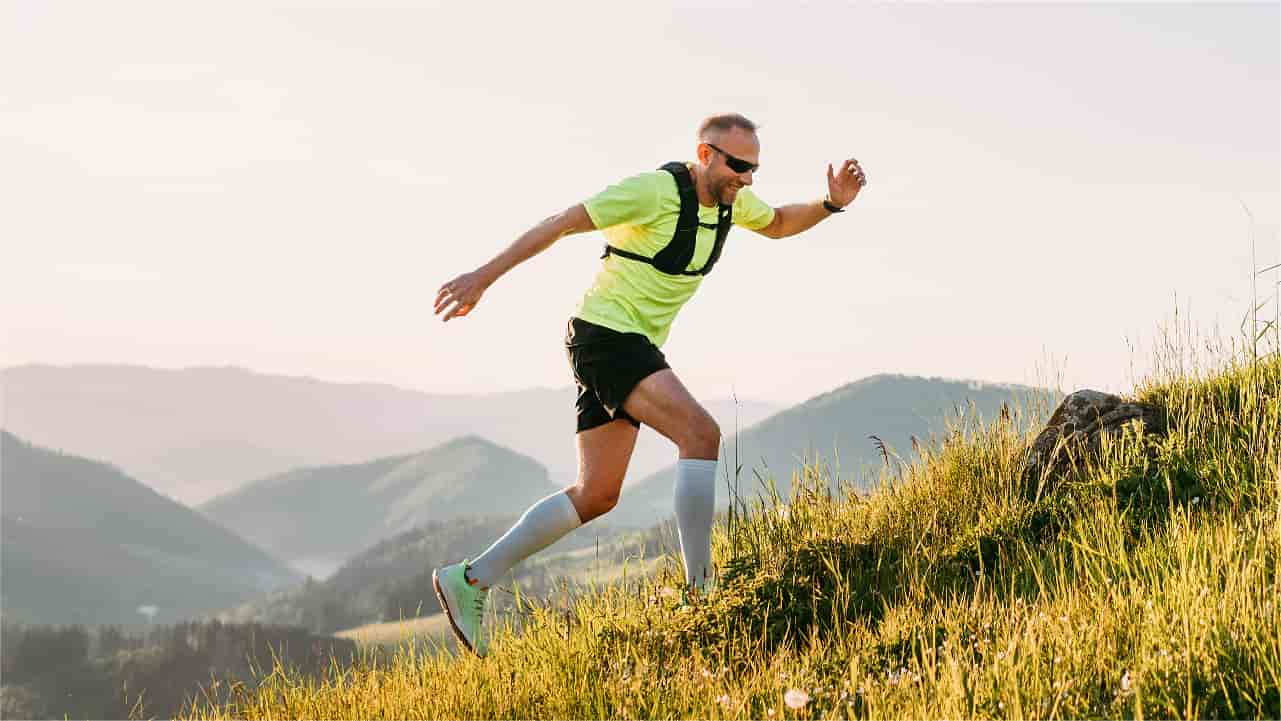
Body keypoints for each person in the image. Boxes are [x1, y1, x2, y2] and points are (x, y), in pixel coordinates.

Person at [431, 112, 867, 656]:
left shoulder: (730, 202)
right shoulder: (654, 192)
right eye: (737, 165)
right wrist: (482, 278)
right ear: (705, 154)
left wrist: (830, 205)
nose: (747, 179)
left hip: (627, 344)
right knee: (700, 436)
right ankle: (702, 594)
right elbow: (562, 222)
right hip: (606, 337)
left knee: (597, 494)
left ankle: (469, 579)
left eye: (754, 168)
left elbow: (777, 222)